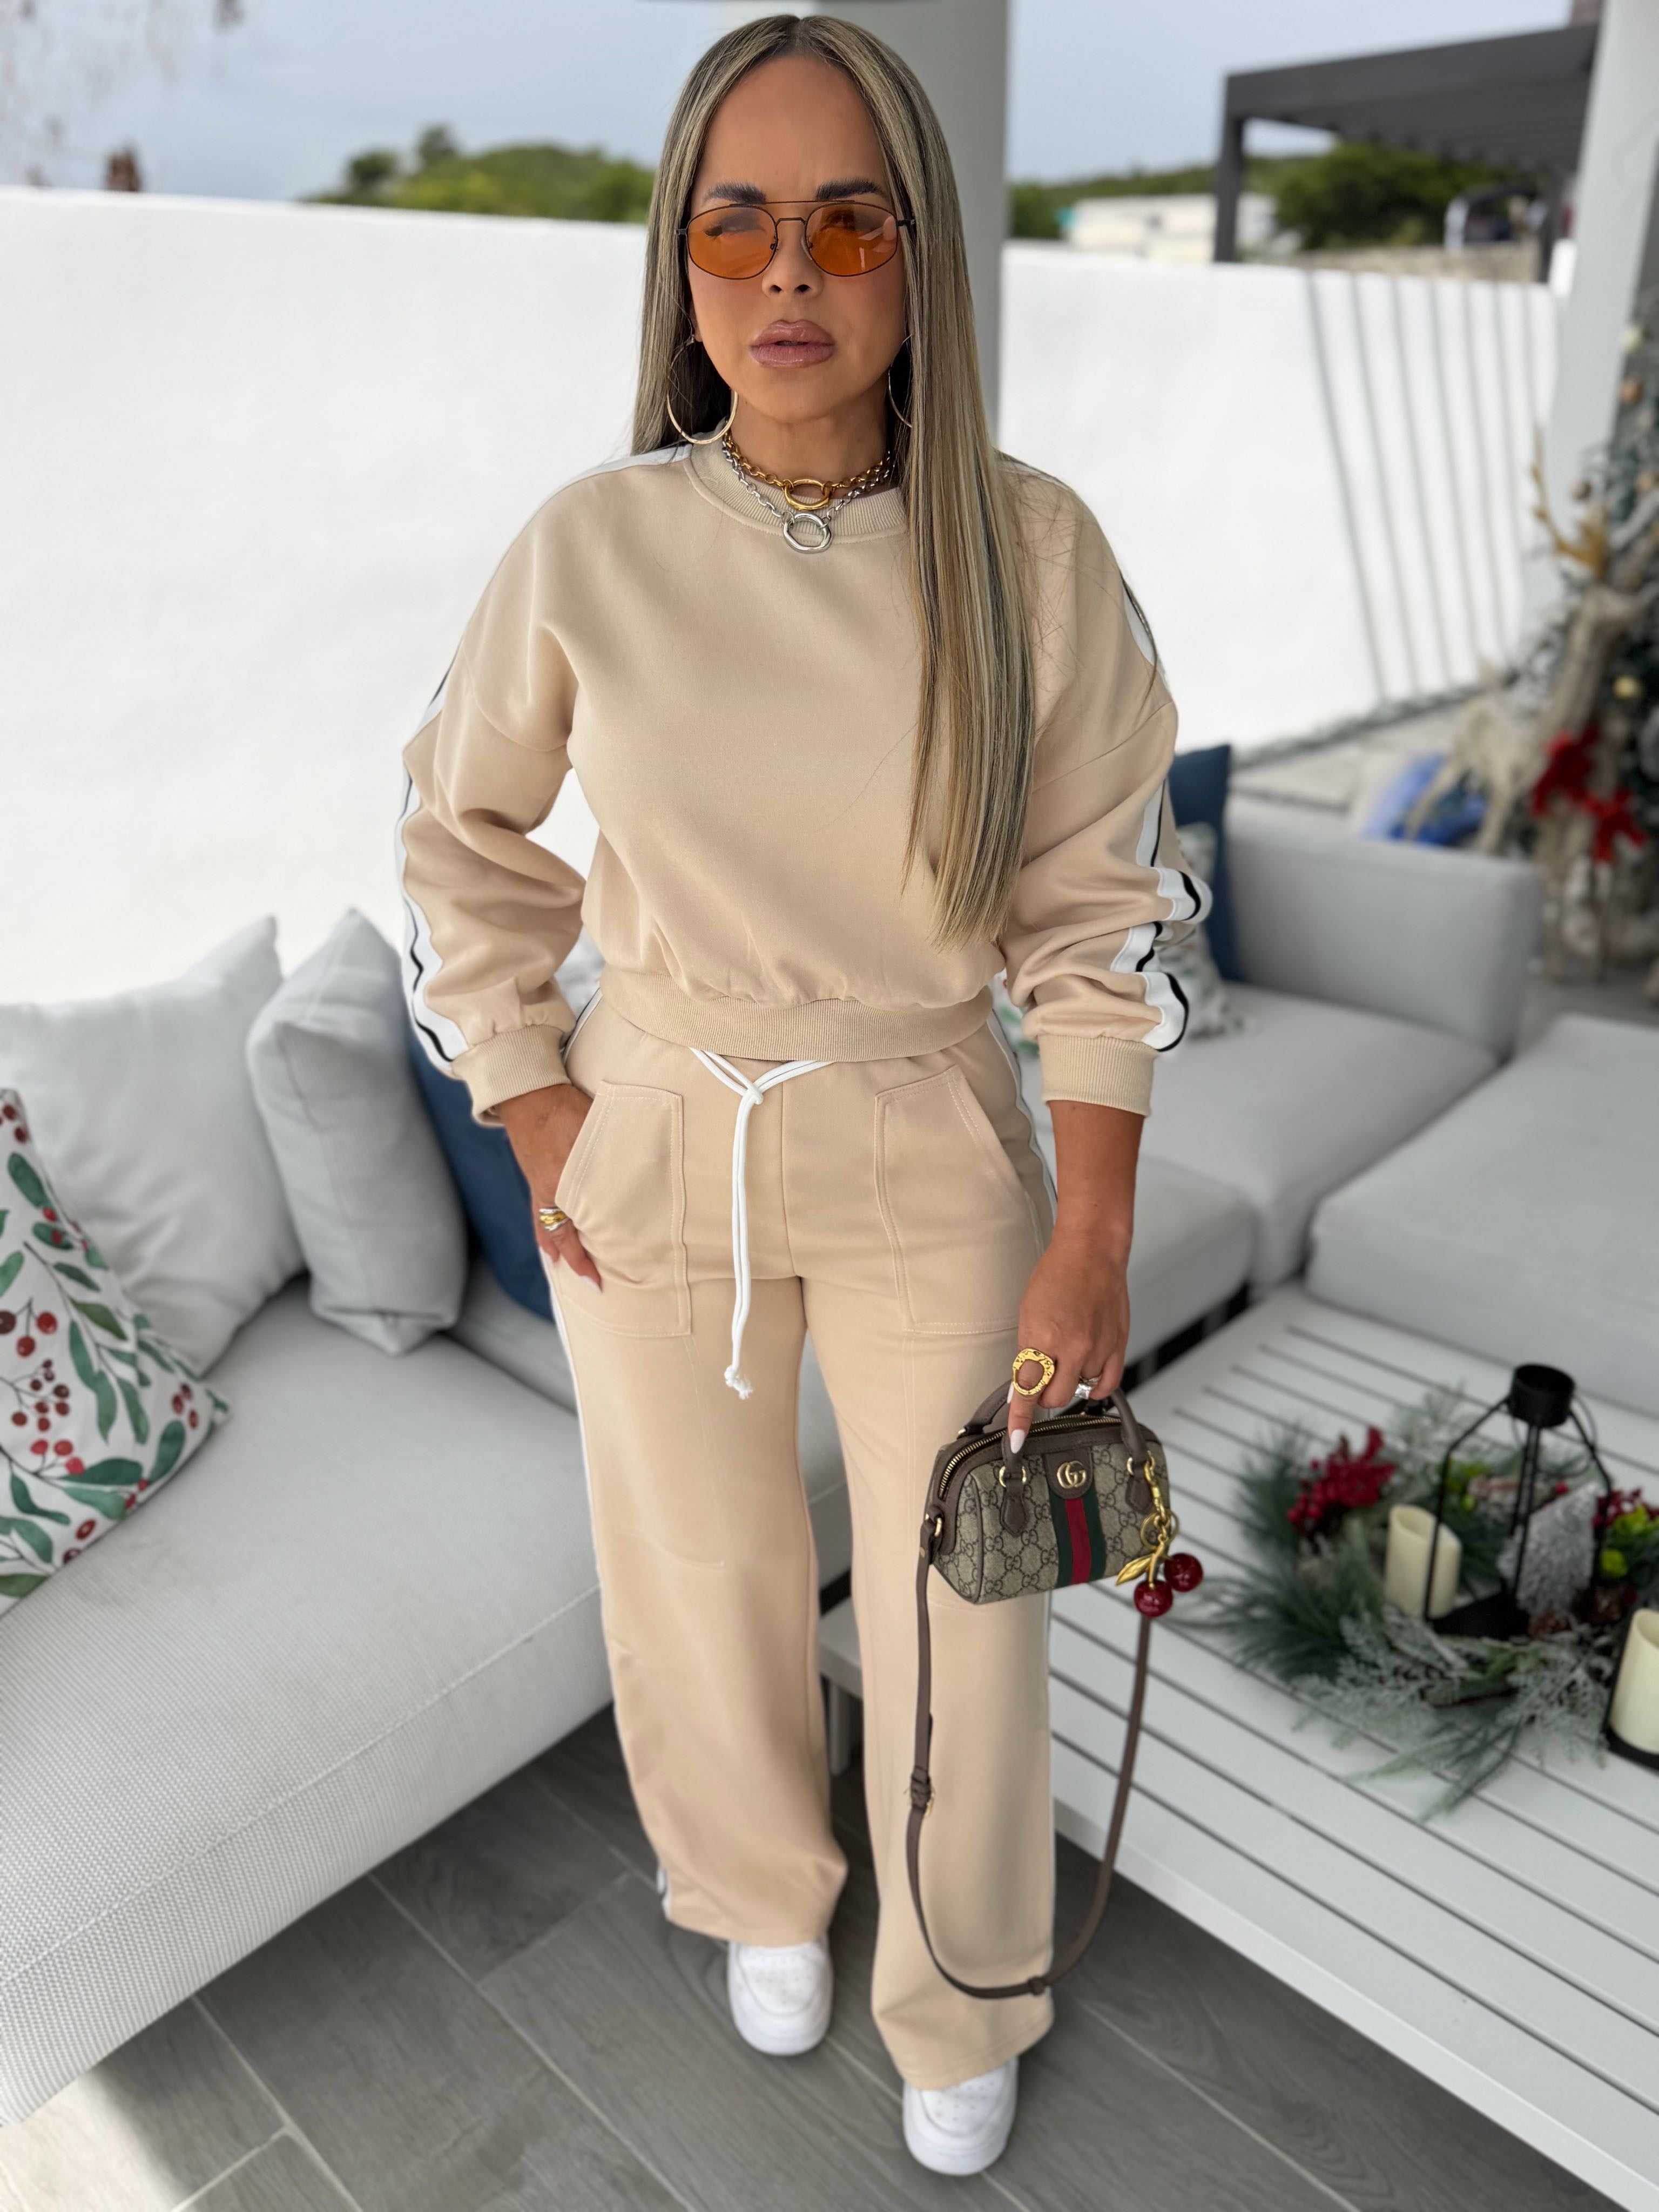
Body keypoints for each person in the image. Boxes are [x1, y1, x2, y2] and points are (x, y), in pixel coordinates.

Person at [396, 12, 1205, 2179]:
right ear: (677, 260)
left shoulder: (1032, 551)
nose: (786, 273)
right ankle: (758, 1886)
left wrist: (1095, 1224)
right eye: (734, 221)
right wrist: (537, 1106)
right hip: (658, 1121)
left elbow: (1101, 907)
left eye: (848, 223)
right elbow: (459, 837)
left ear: (919, 253)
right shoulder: (592, 545)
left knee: (973, 1601)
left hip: (933, 1123)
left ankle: (964, 1980)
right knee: (696, 1560)